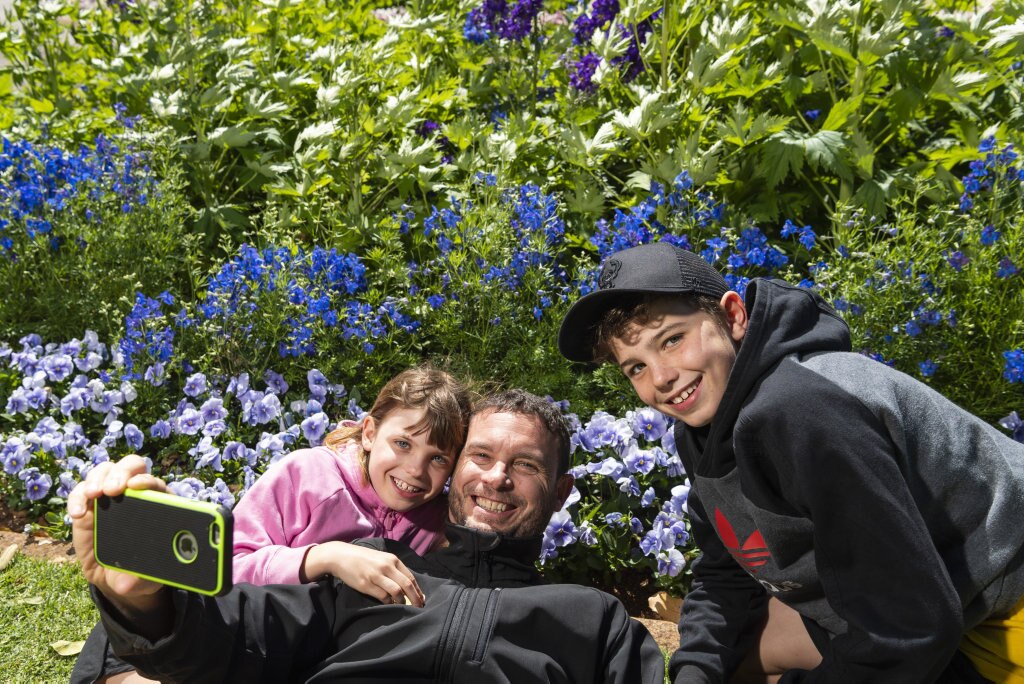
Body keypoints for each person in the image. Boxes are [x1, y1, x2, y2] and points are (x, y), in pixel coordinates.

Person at [557, 240, 1024, 682]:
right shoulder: (701, 428)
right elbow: (725, 571)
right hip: (936, 600)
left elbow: (910, 629)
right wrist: (695, 672)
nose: (660, 377)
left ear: (733, 315)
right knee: (736, 659)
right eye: (635, 366)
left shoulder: (801, 409)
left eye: (672, 339)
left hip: (1003, 597)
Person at [67, 389, 665, 683]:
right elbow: (236, 636)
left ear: (560, 493)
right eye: (480, 455)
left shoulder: (594, 621)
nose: (497, 477)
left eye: (527, 466)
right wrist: (141, 599)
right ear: (454, 473)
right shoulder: (369, 569)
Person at [71, 365, 473, 683]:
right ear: (369, 432)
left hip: (284, 655)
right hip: (211, 627)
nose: (415, 470)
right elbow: (227, 570)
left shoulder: (431, 522)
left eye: (438, 458)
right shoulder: (309, 475)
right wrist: (324, 557)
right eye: (402, 443)